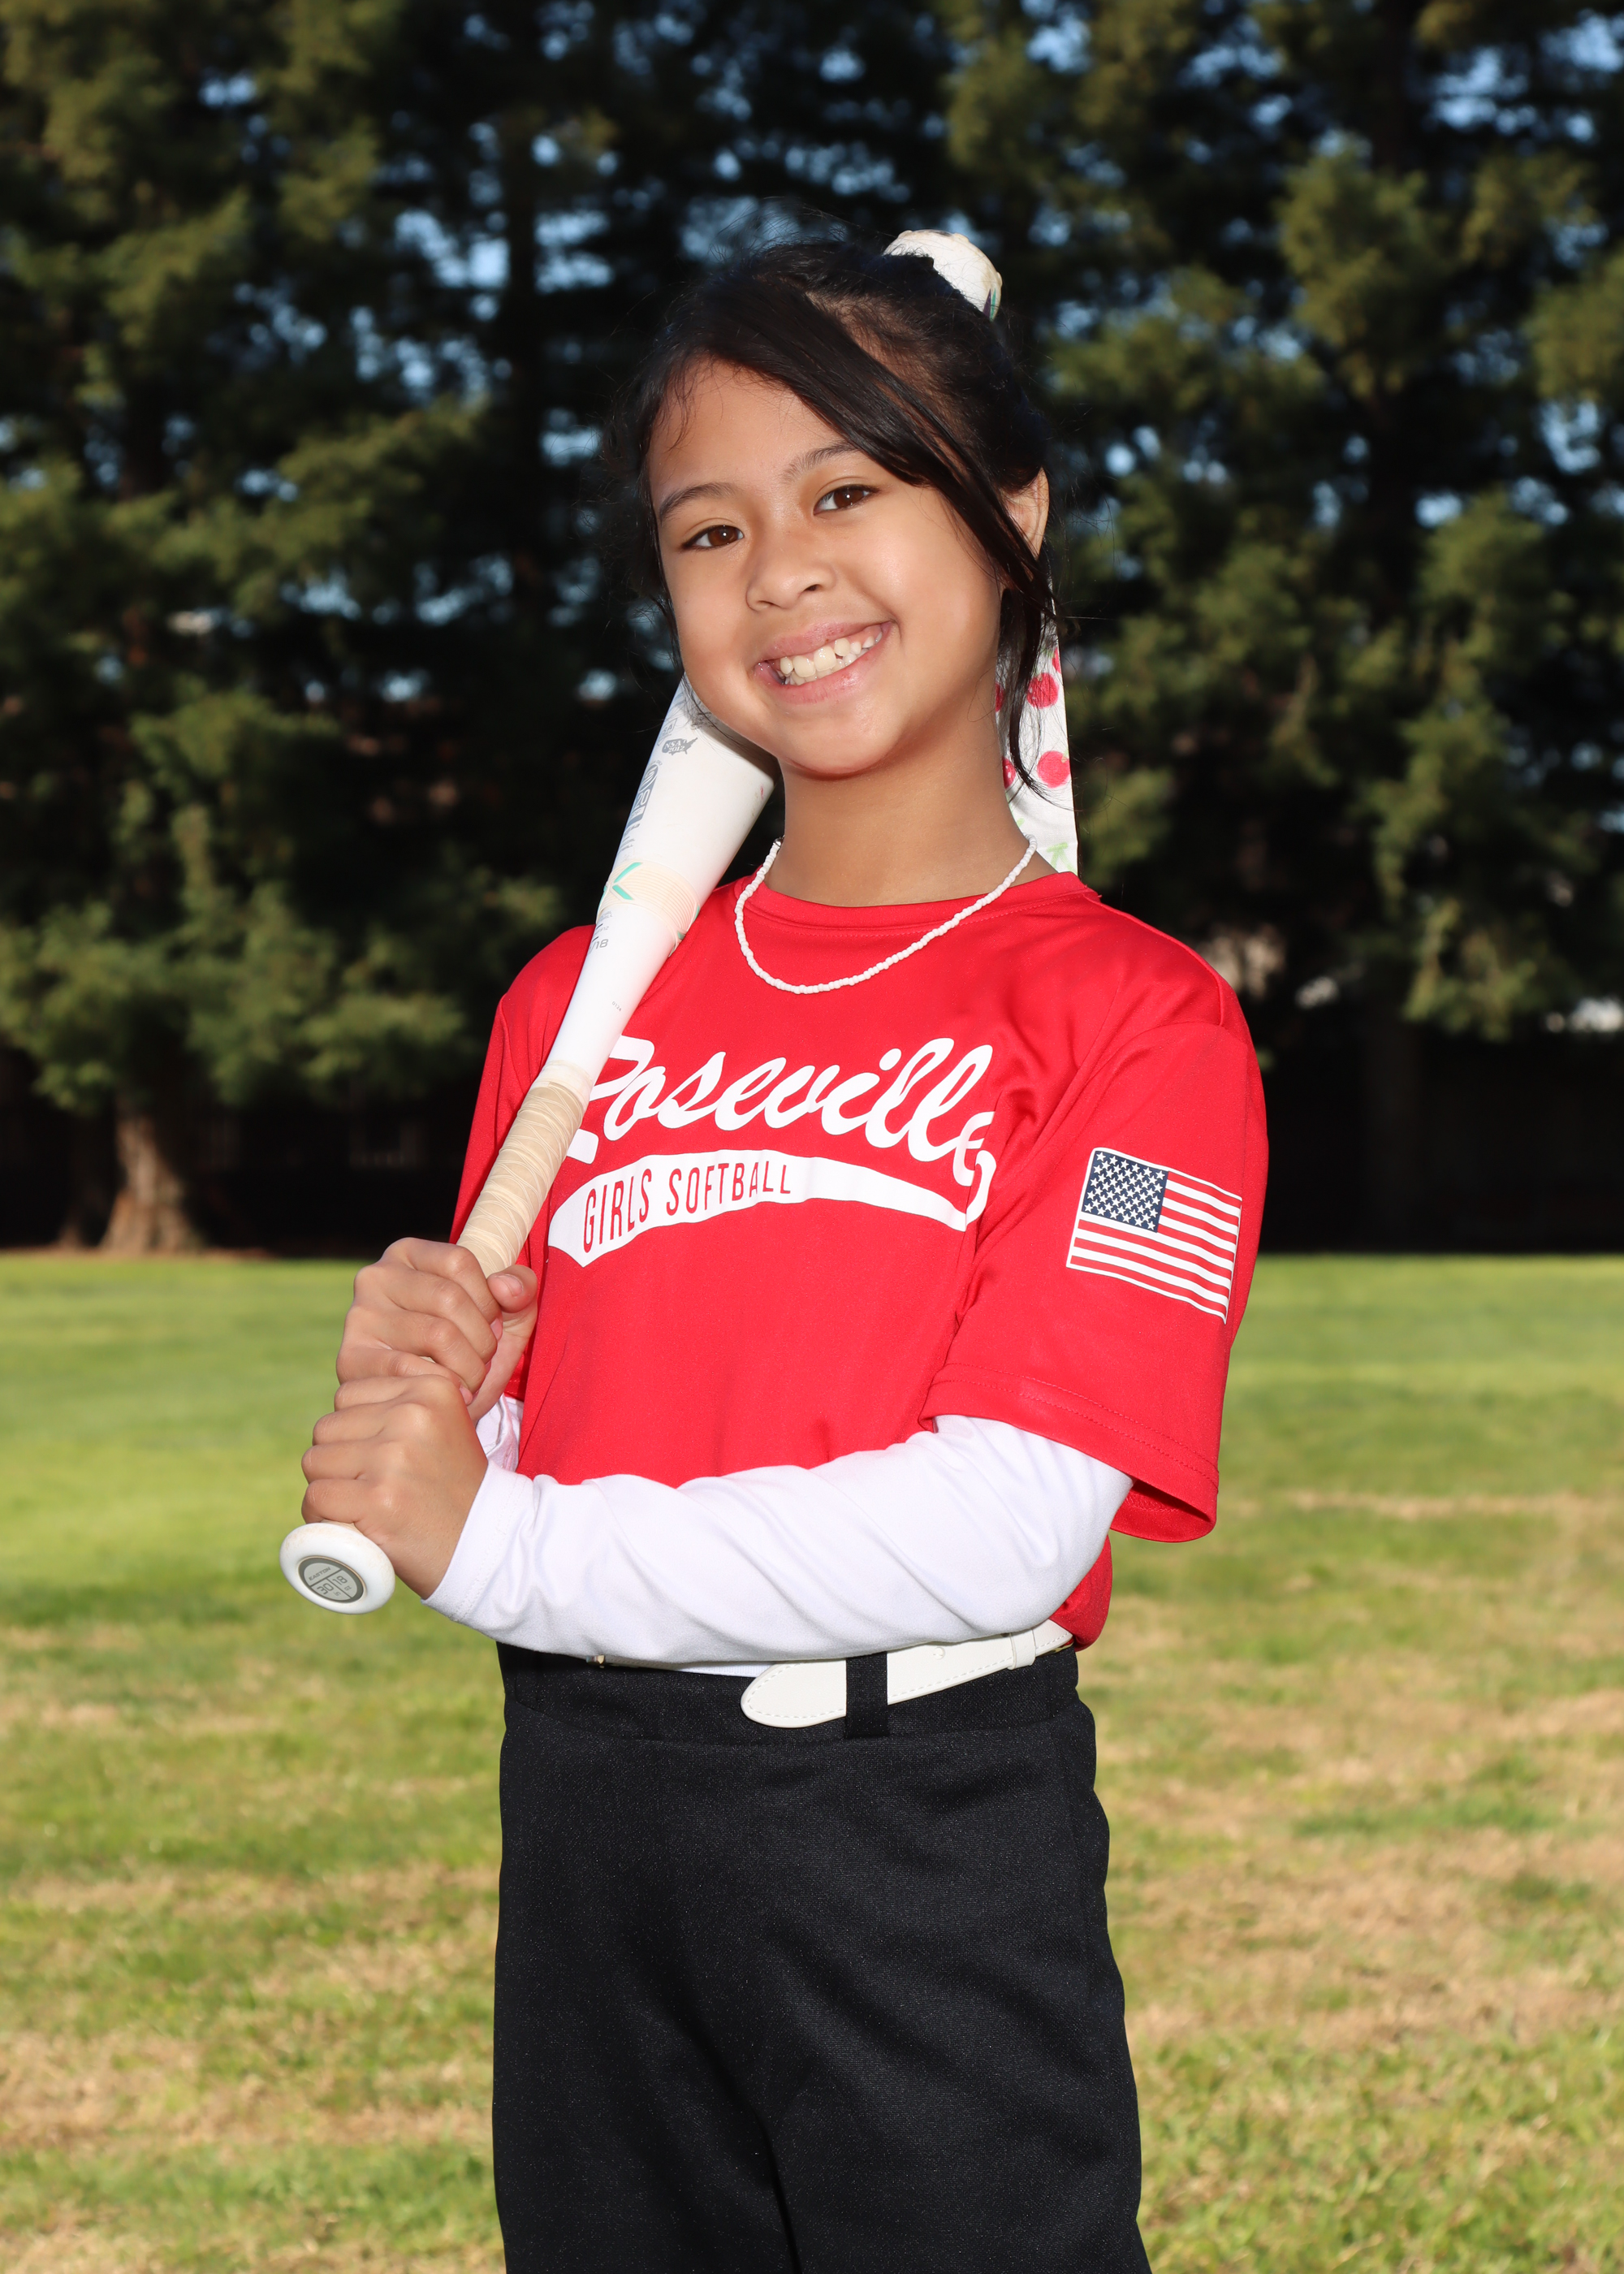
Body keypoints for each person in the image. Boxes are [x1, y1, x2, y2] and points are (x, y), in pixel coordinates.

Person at [300, 237, 1267, 2272]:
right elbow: (525, 1436)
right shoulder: (578, 1003)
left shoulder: (1141, 1022)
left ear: (1011, 517)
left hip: (920, 1835)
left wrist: (501, 1542)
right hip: (588, 1808)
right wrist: (447, 1378)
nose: (781, 574)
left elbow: (1005, 1522)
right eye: (710, 528)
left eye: (848, 490)